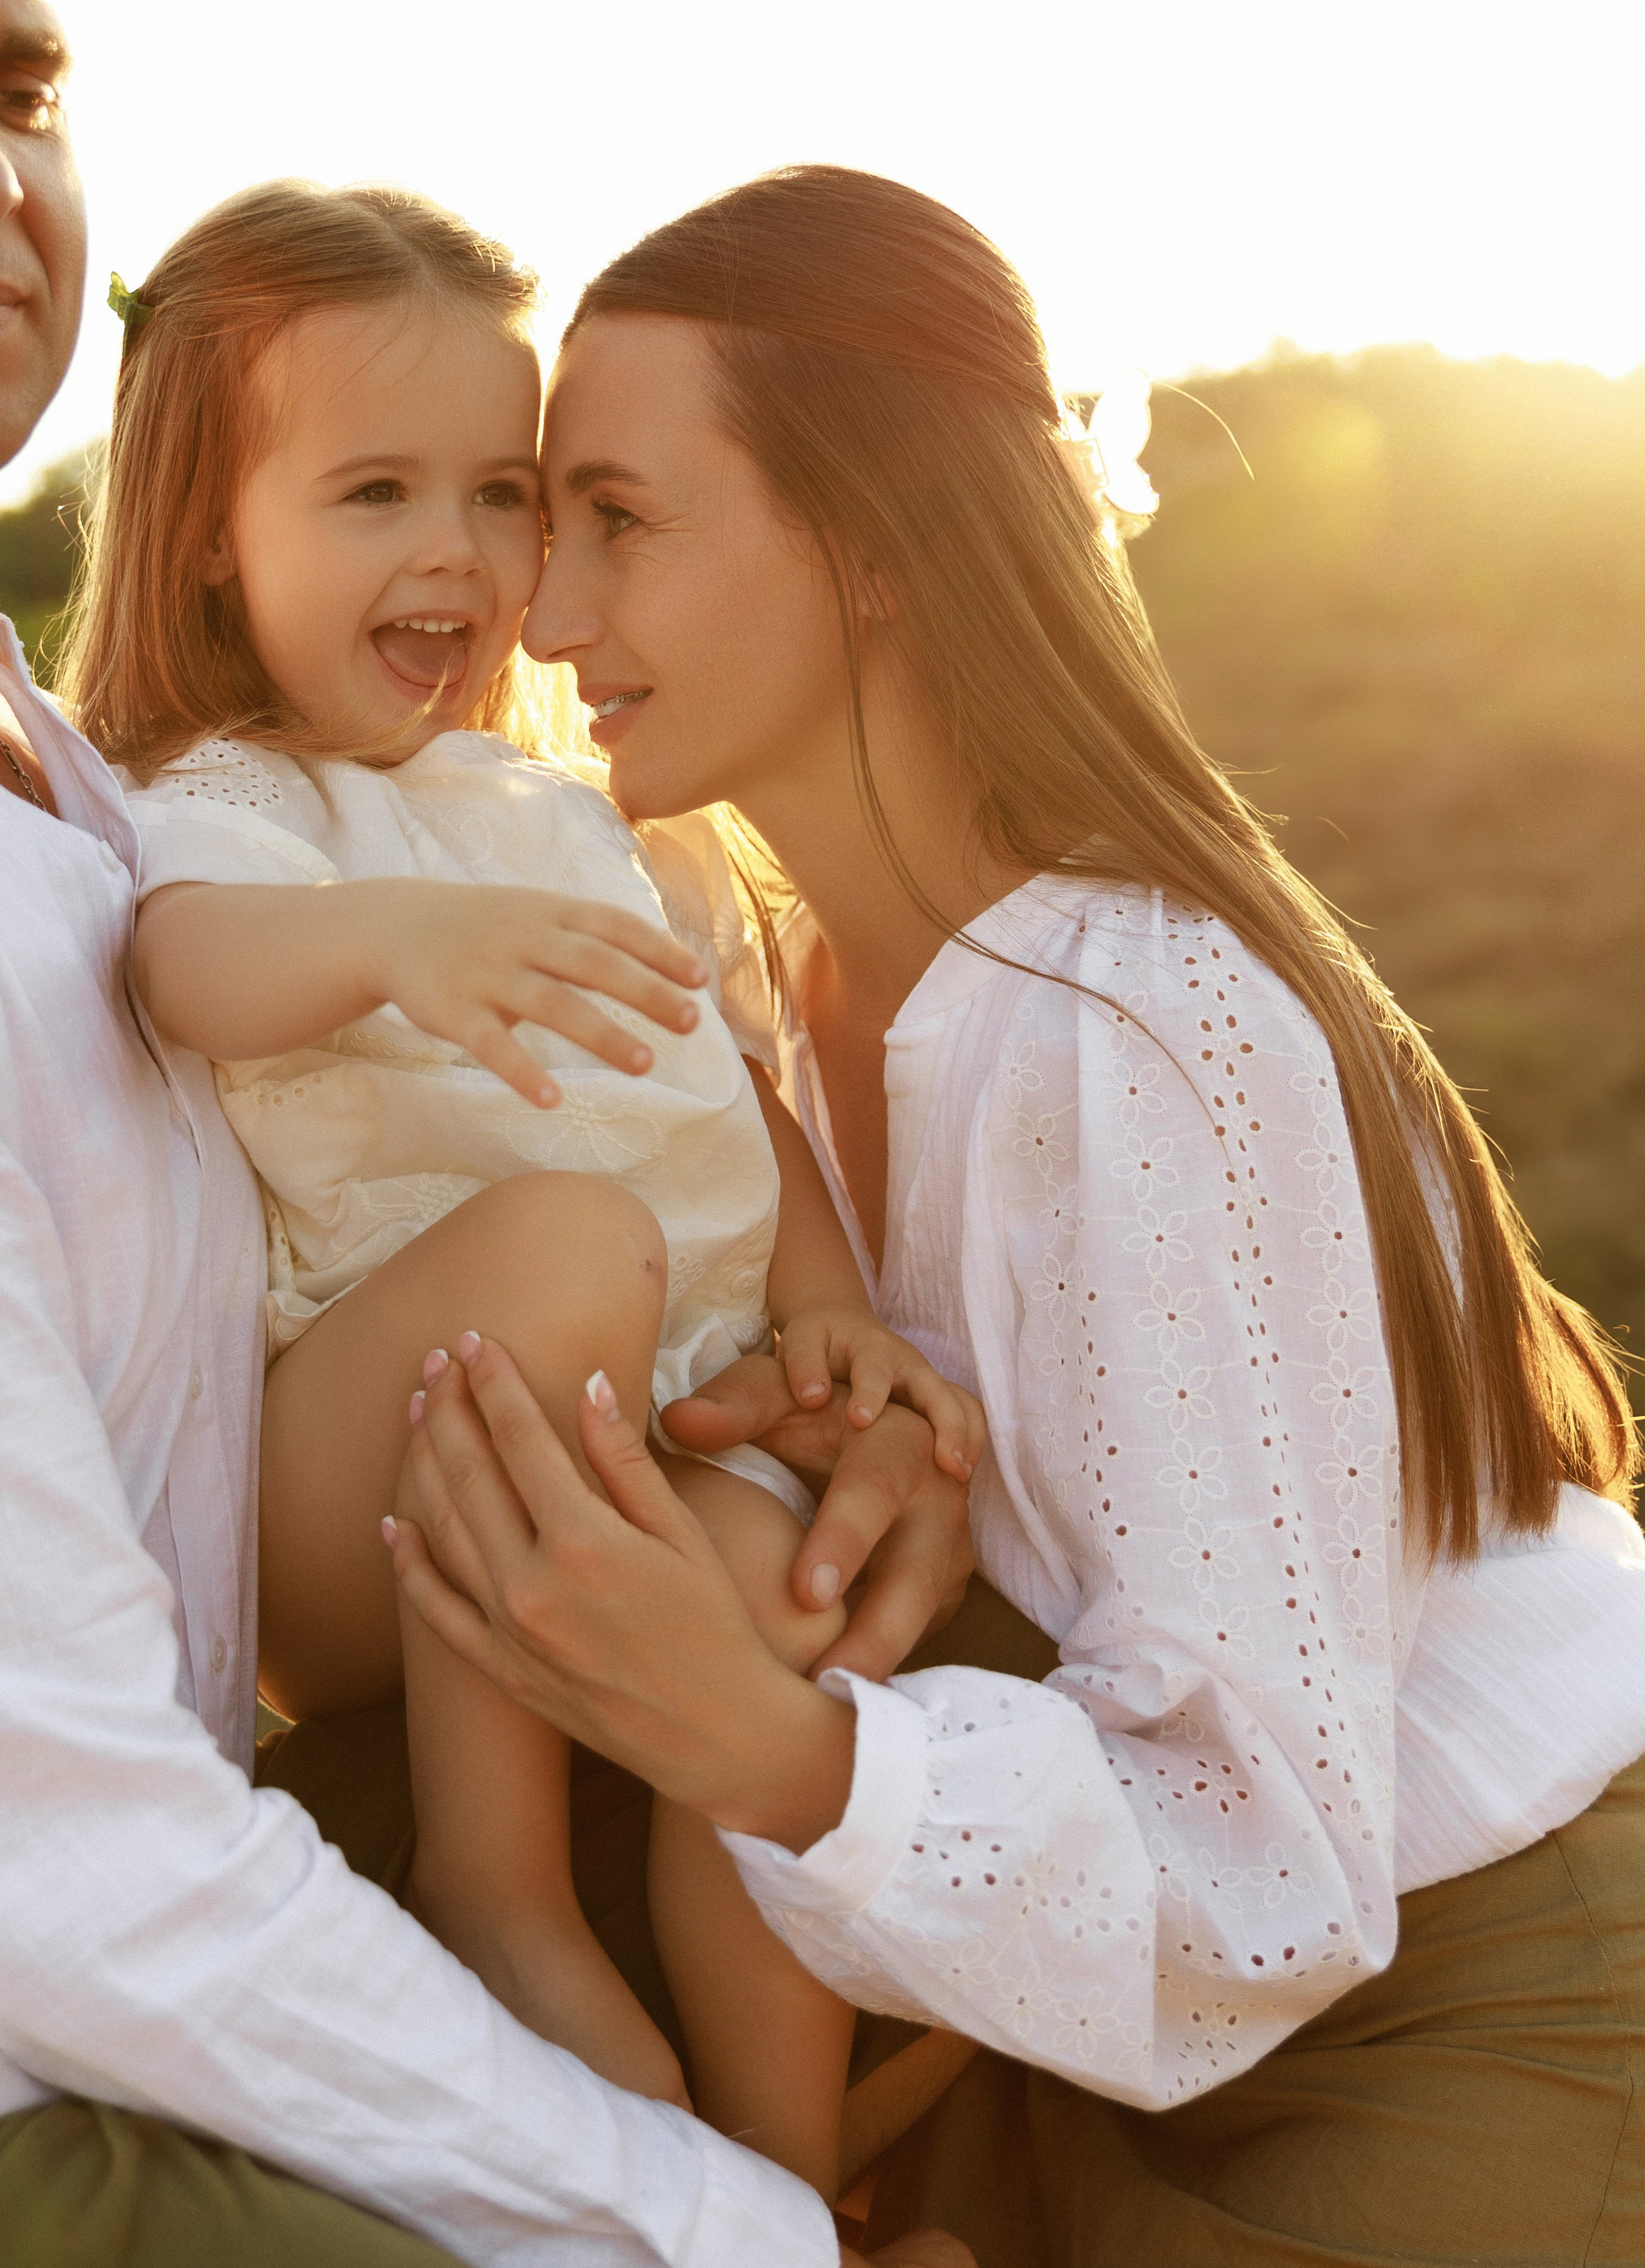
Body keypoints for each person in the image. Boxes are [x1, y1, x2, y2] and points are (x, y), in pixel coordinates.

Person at [387, 165, 1645, 2265]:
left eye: (621, 520)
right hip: (1089, 2007)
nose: (549, 616)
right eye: (541, 523)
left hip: (1515, 2023)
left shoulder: (1143, 1022)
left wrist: (765, 1733)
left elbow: (1271, 1865)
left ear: (867, 545)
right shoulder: (739, 989)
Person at [0, 35, 971, 2259]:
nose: (454, 551)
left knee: (772, 1635)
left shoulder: (590, 820)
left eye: (503, 490)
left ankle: (786, 2178)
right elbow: (177, 978)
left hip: (650, 1433)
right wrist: (390, 937)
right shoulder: (220, 809)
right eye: (371, 494)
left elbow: (734, 1095)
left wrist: (831, 1321)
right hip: (367, 1483)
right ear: (214, 546)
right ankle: (494, 1874)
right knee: (555, 1243)